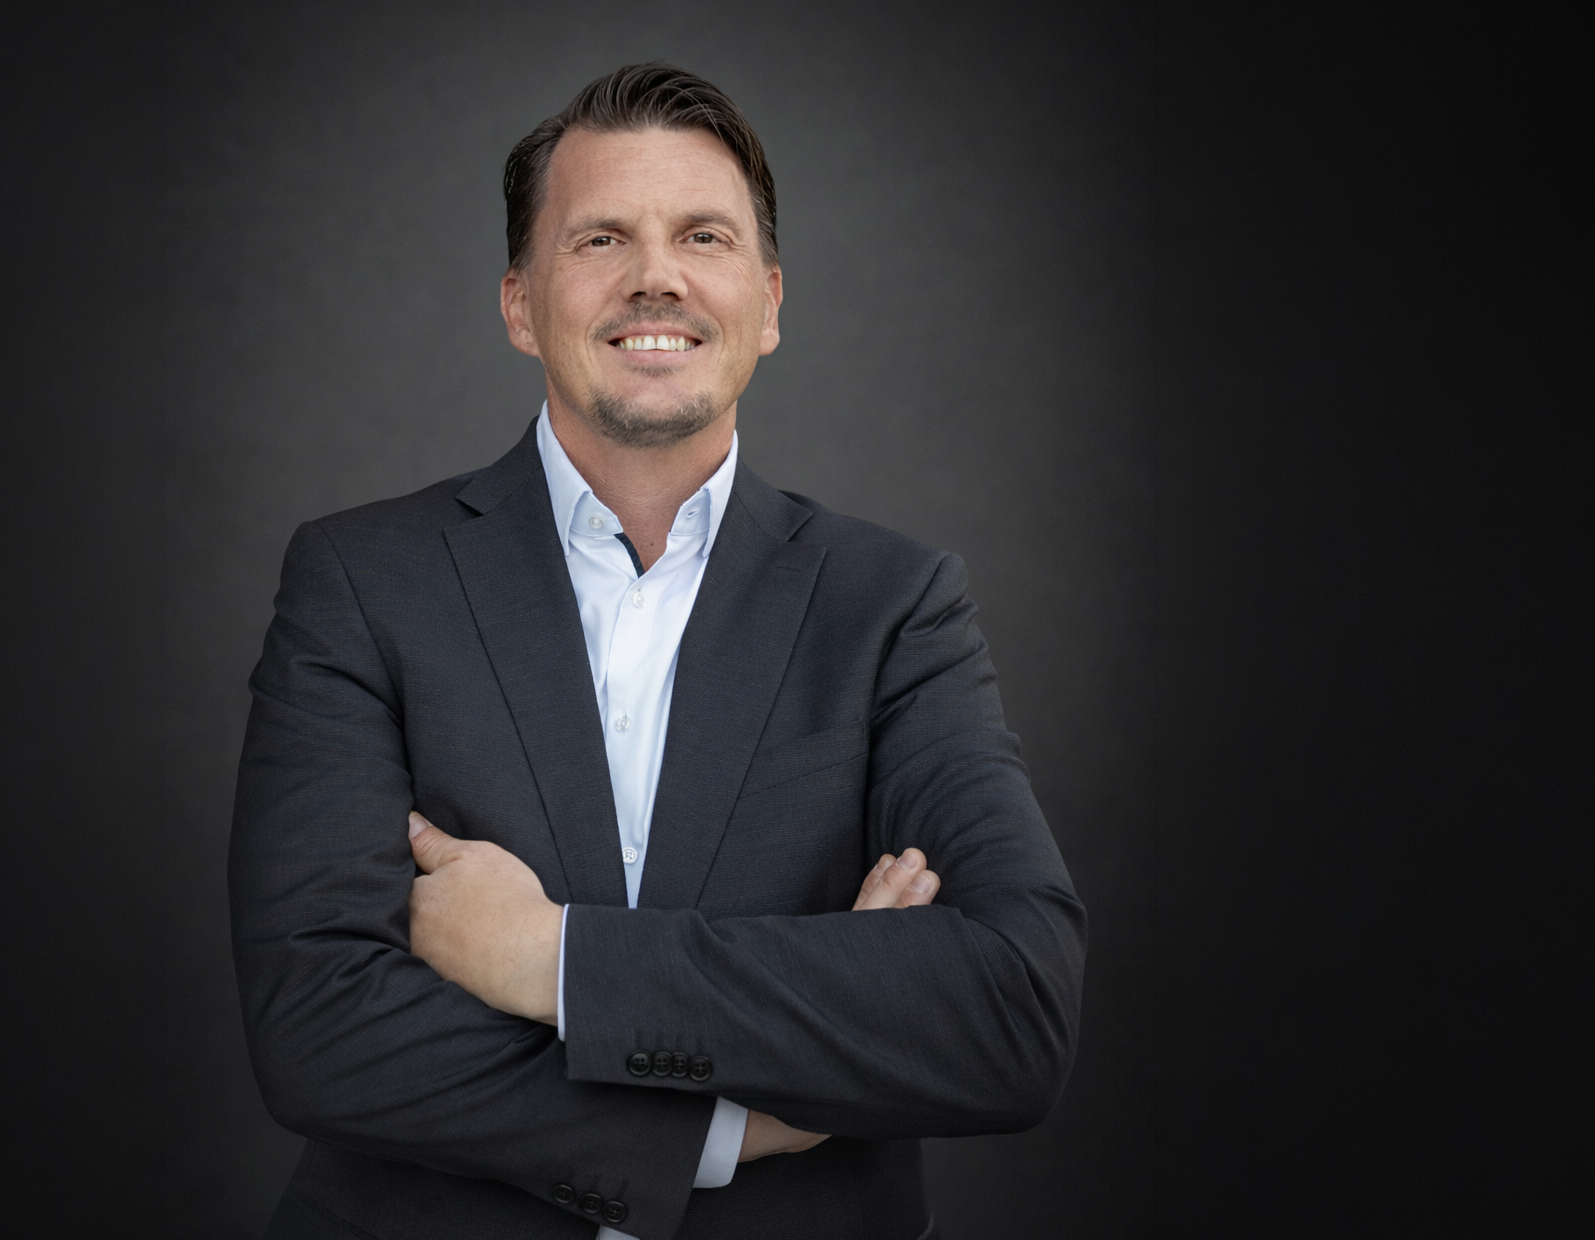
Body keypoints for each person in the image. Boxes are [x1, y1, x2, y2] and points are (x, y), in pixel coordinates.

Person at [231, 62, 1085, 1240]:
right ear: (521, 304)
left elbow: (1012, 1013)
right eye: (600, 239)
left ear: (768, 304)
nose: (656, 276)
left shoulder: (895, 606)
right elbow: (318, 1027)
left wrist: (551, 958)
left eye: (702, 236)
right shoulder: (360, 581)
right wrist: (736, 1121)